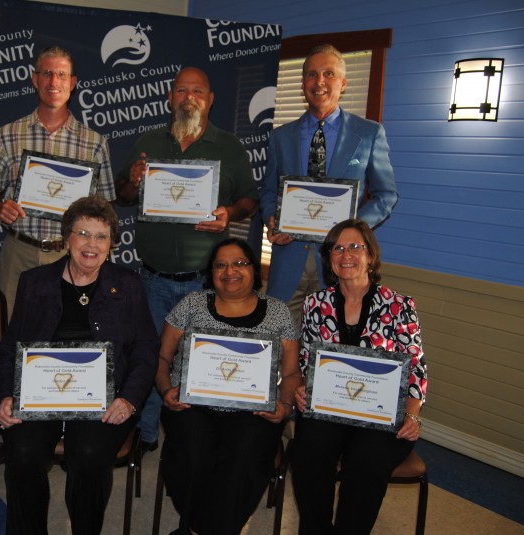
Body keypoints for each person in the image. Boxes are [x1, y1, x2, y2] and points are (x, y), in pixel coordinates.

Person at [0, 196, 158, 535]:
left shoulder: (127, 285)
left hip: (106, 397)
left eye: (101, 236)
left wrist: (128, 399)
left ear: (112, 243)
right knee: (22, 451)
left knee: (88, 453)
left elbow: (145, 349)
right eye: (82, 233)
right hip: (40, 394)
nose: (91, 244)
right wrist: (6, 395)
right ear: (67, 238)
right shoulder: (34, 281)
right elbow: (10, 346)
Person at [116, 66, 259, 451]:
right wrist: (132, 179)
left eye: (198, 91)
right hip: (151, 279)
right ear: (170, 97)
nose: (189, 97)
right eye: (182, 90)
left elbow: (250, 198)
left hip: (205, 282)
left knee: (205, 362)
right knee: (147, 359)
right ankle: (144, 433)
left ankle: (198, 439)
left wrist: (230, 212)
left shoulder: (229, 147)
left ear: (210, 100)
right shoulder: (148, 142)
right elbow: (123, 195)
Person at [154, 238, 302, 535]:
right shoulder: (192, 304)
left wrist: (284, 407)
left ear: (253, 269)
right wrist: (165, 389)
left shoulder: (277, 311)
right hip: (192, 403)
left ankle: (199, 529)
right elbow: (162, 357)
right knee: (193, 452)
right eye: (220, 264)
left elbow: (291, 374)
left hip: (253, 409)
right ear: (211, 272)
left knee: (244, 453)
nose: (229, 271)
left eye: (239, 263)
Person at [290, 218, 427, 534]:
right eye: (338, 247)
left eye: (355, 246)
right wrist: (302, 389)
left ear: (370, 255)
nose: (346, 253)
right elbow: (307, 362)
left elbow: (417, 367)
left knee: (366, 462)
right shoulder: (315, 304)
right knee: (308, 453)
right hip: (329, 409)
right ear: (330, 257)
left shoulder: (400, 306)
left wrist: (413, 416)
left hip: (380, 415)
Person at [259, 44, 399, 322]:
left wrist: (352, 231)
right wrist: (272, 218)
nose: (319, 81)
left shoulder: (369, 134)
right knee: (282, 349)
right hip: (288, 261)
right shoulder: (280, 137)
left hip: (342, 264)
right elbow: (268, 191)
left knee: (330, 351)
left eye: (328, 73)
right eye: (311, 74)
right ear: (303, 83)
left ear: (343, 83)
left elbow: (386, 195)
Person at [0, 45, 115, 321]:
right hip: (20, 251)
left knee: (68, 329)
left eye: (62, 75)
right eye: (47, 74)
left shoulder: (95, 143)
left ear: (73, 83)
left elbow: (107, 206)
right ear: (35, 79)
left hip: (70, 254)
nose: (54, 82)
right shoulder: (8, 135)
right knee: (10, 326)